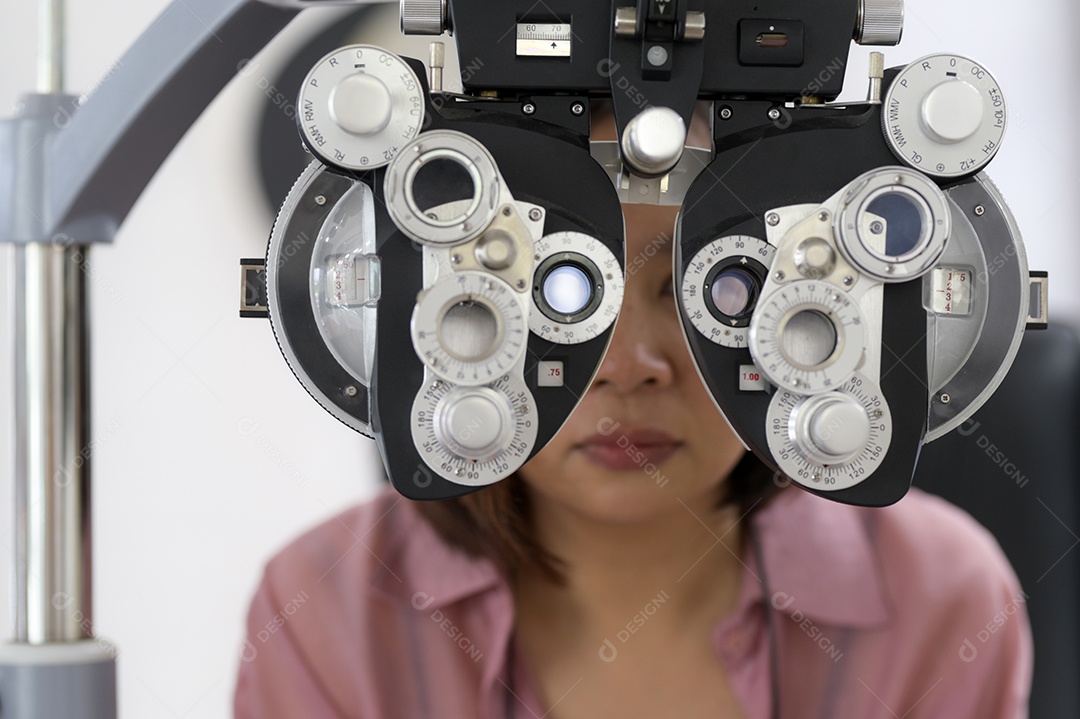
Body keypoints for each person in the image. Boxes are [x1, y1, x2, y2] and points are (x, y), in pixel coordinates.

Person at [233, 110, 1032, 718]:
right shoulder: (325, 606)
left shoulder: (943, 596)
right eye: (566, 289)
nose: (629, 368)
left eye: (714, 295)